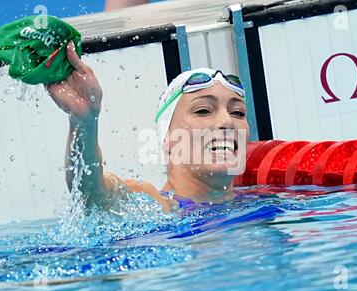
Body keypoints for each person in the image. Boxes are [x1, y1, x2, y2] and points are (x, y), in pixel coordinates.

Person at [45, 41, 249, 213]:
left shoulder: (267, 197)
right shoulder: (151, 206)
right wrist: (85, 121)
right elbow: (92, 193)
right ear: (168, 139)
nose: (227, 122)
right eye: (203, 110)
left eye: (238, 112)